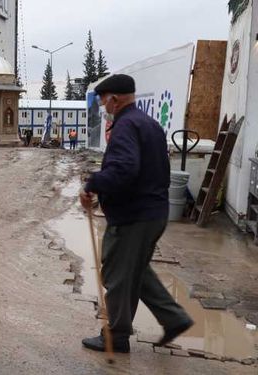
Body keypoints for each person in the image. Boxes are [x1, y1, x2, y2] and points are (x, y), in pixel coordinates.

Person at [79, 74, 193, 354]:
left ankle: (116, 337)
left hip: (134, 217)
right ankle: (174, 318)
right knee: (136, 271)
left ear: (115, 100)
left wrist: (93, 183)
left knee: (117, 275)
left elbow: (124, 169)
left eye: (105, 101)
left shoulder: (125, 126)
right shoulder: (149, 124)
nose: (104, 107)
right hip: (154, 212)